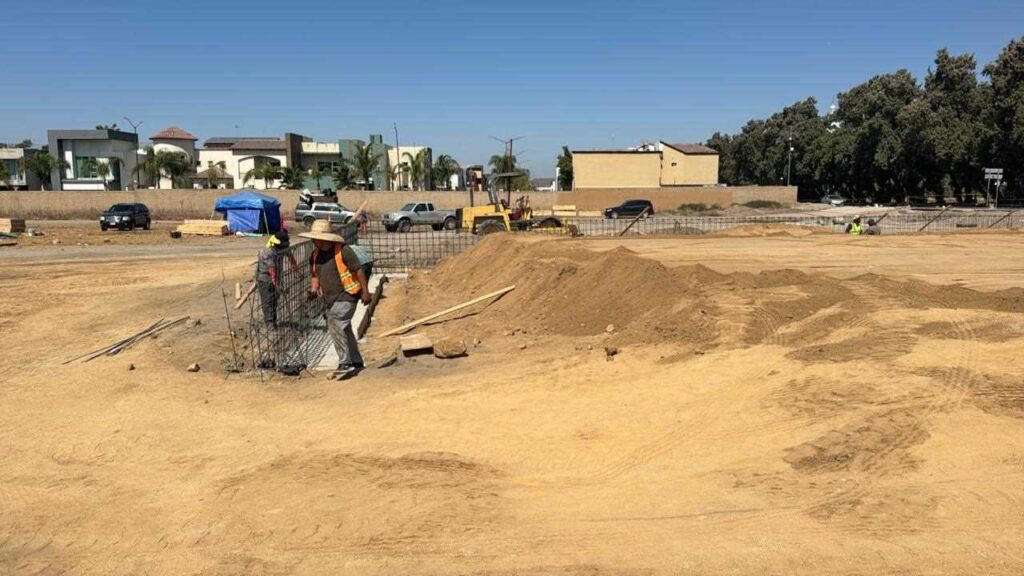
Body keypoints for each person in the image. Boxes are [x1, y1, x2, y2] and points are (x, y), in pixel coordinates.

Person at [300, 220, 371, 379]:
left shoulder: (343, 251)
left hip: (348, 294)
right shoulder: (315, 255)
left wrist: (366, 292)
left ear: (325, 239)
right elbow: (315, 276)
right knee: (344, 329)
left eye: (316, 238)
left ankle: (345, 362)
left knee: (335, 321)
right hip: (330, 299)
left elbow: (358, 271)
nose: (313, 241)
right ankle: (356, 361)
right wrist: (313, 290)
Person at [254, 230, 294, 326]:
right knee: (268, 301)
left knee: (275, 300)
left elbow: (291, 258)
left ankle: (273, 321)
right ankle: (270, 323)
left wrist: (297, 271)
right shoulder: (268, 252)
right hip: (265, 278)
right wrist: (277, 285)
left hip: (276, 276)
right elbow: (272, 271)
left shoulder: (284, 248)